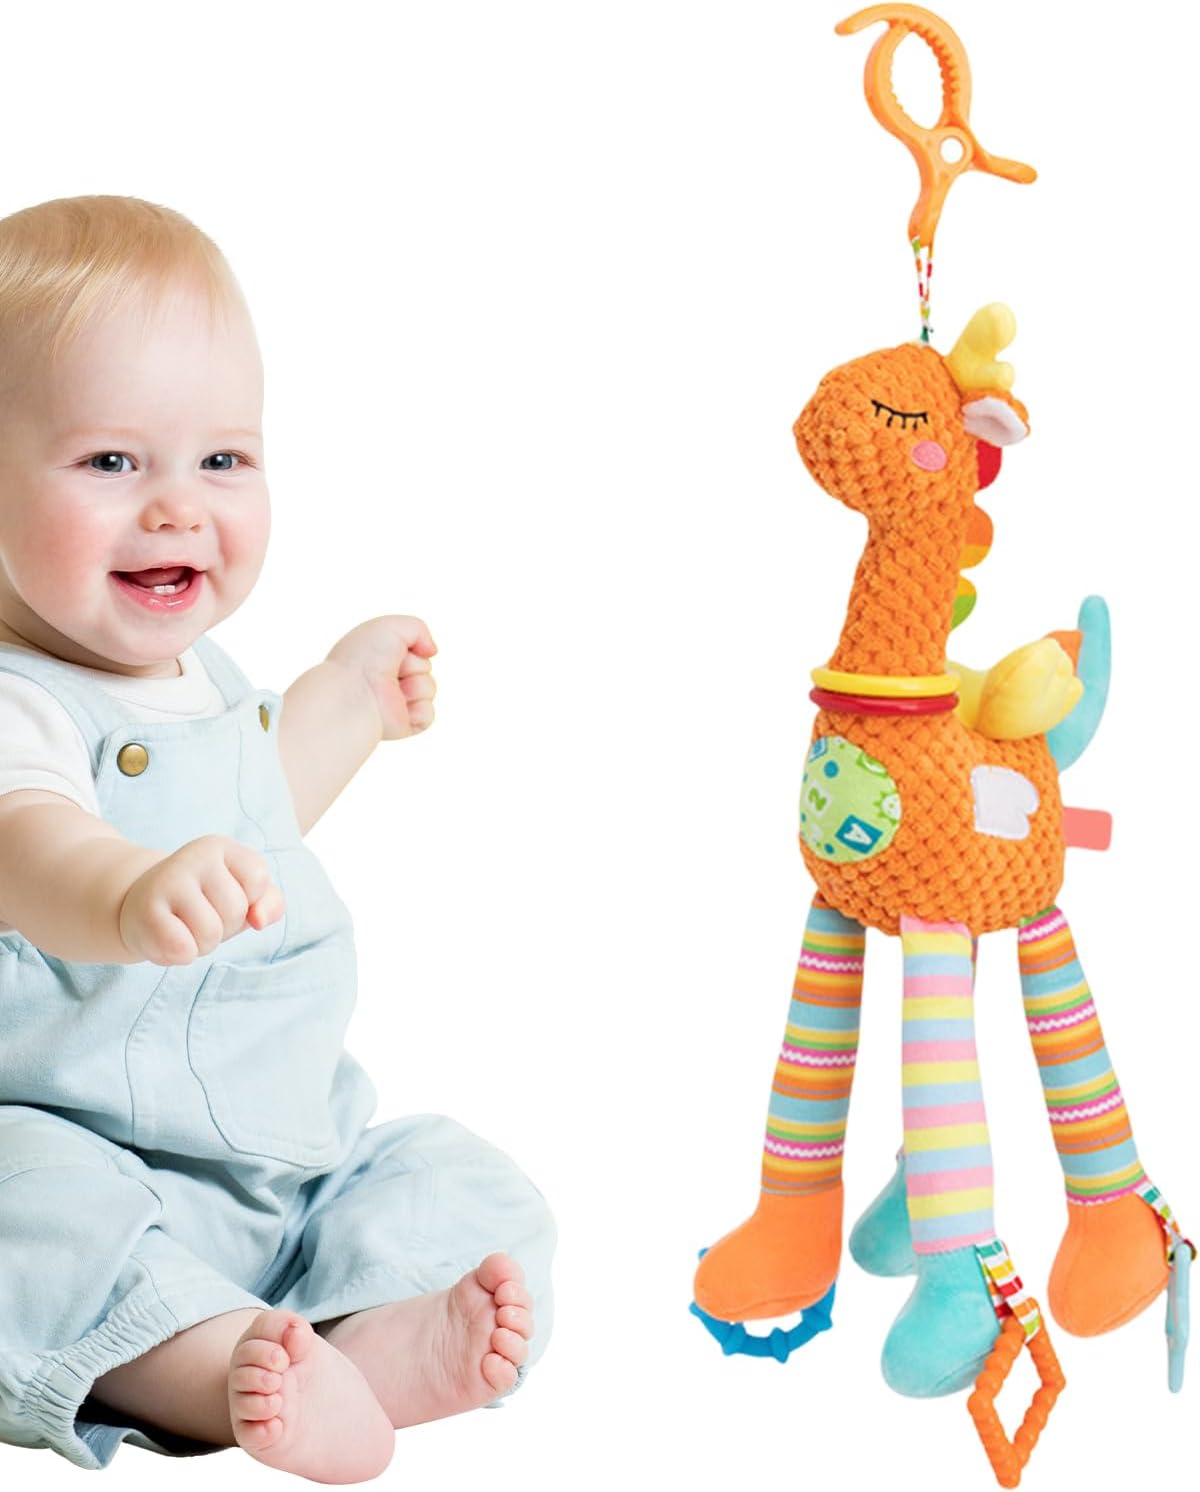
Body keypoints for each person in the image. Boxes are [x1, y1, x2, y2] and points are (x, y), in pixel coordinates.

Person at [0, 195, 555, 1483]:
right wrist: (126, 891)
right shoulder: (22, 700)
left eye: (222, 460)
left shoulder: (199, 680)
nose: (177, 508)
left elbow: (258, 812)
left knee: (462, 1182)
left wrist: (346, 703)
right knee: (26, 1221)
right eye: (110, 463)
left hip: (288, 1164)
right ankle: (209, 1372)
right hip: (74, 1148)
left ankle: (367, 1335)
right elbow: (27, 844)